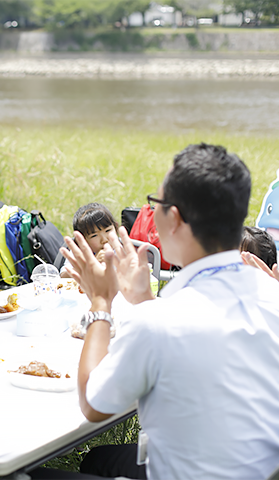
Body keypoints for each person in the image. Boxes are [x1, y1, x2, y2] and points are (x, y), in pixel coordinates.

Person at [33, 143, 279, 480]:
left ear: (173, 218)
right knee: (98, 460)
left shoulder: (160, 323)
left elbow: (93, 404)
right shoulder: (272, 294)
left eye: (156, 204)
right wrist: (143, 302)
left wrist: (101, 302)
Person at [60, 203, 119, 278]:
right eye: (94, 235)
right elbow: (63, 276)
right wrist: (90, 265)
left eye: (108, 230)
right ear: (82, 240)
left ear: (116, 228)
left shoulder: (123, 250)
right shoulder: (80, 252)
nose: (104, 240)